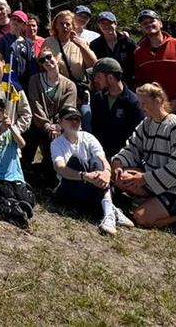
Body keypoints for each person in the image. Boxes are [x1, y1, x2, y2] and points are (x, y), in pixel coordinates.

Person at [111, 82, 176, 236]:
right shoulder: (147, 123)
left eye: (144, 103)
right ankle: (159, 207)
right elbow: (132, 148)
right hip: (159, 178)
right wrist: (118, 162)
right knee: (120, 177)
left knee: (141, 218)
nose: (141, 107)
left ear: (158, 100)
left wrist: (144, 178)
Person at [50, 106, 129, 235]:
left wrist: (106, 173)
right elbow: (60, 168)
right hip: (69, 188)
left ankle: (108, 214)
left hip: (92, 186)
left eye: (77, 119)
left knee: (96, 161)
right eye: (70, 119)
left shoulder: (88, 137)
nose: (74, 122)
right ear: (61, 122)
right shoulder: (57, 143)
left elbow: (103, 160)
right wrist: (84, 176)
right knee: (76, 161)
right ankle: (111, 208)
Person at [24, 51, 78, 185]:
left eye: (49, 57)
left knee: (52, 160)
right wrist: (46, 125)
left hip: (59, 128)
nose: (47, 61)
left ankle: (49, 172)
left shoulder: (69, 85)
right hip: (39, 124)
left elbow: (68, 108)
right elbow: (35, 105)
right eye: (42, 60)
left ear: (57, 58)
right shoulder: (35, 80)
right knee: (29, 139)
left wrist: (58, 126)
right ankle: (24, 168)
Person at [42, 9, 98, 130]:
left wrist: (81, 45)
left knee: (86, 125)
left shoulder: (80, 43)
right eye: (61, 23)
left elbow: (93, 65)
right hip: (57, 93)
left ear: (73, 26)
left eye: (68, 24)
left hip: (79, 94)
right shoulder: (48, 42)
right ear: (55, 25)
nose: (65, 27)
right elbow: (41, 65)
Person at [0, 95, 37, 206]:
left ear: (4, 113)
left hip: (14, 175)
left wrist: (11, 127)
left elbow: (22, 144)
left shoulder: (13, 129)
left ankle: (23, 196)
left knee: (27, 200)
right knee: (9, 197)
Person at [89, 57, 143, 158]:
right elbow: (95, 128)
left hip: (125, 158)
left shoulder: (133, 102)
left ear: (110, 78)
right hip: (100, 155)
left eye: (98, 77)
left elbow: (136, 137)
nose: (95, 80)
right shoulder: (98, 98)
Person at [90, 12, 136, 86]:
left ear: (115, 24)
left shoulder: (127, 42)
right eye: (103, 23)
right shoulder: (94, 45)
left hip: (127, 84)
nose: (106, 26)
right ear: (99, 26)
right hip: (105, 85)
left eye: (109, 23)